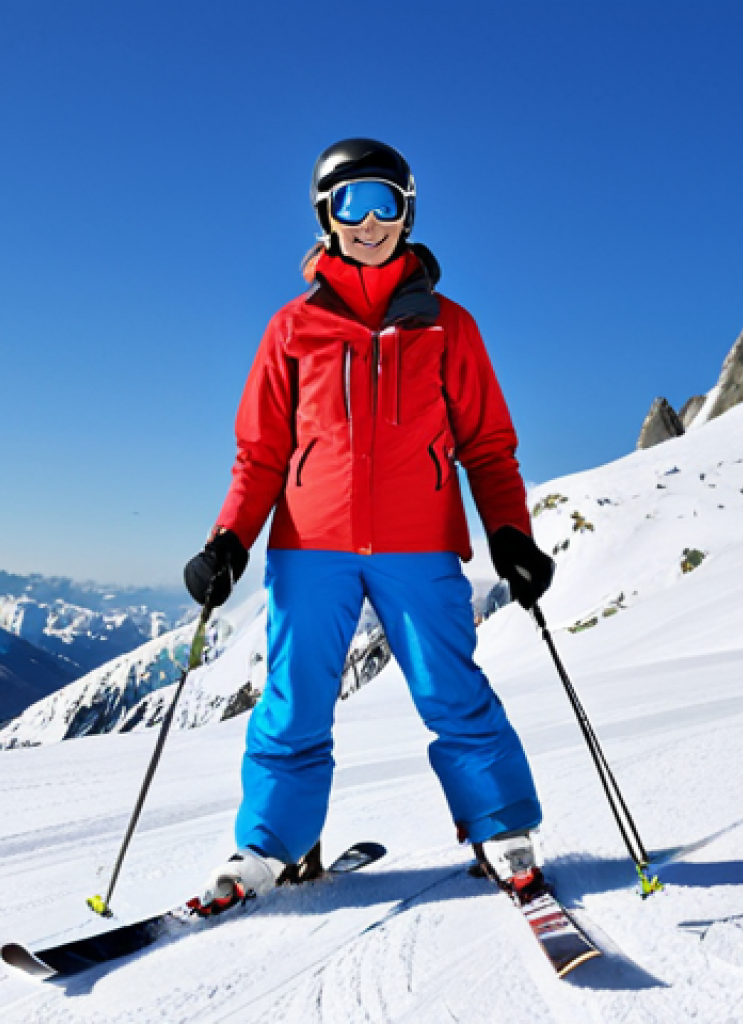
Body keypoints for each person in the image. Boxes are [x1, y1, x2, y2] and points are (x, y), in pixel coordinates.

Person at [184, 138, 555, 913]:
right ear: (326, 217)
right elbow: (259, 453)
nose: (369, 220)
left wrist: (511, 536)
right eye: (350, 203)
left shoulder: (448, 328)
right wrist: (228, 541)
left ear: (408, 211)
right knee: (293, 700)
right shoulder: (292, 330)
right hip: (310, 547)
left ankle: (501, 830)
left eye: (385, 201)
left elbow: (488, 445)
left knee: (452, 688)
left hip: (418, 544)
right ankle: (270, 848)